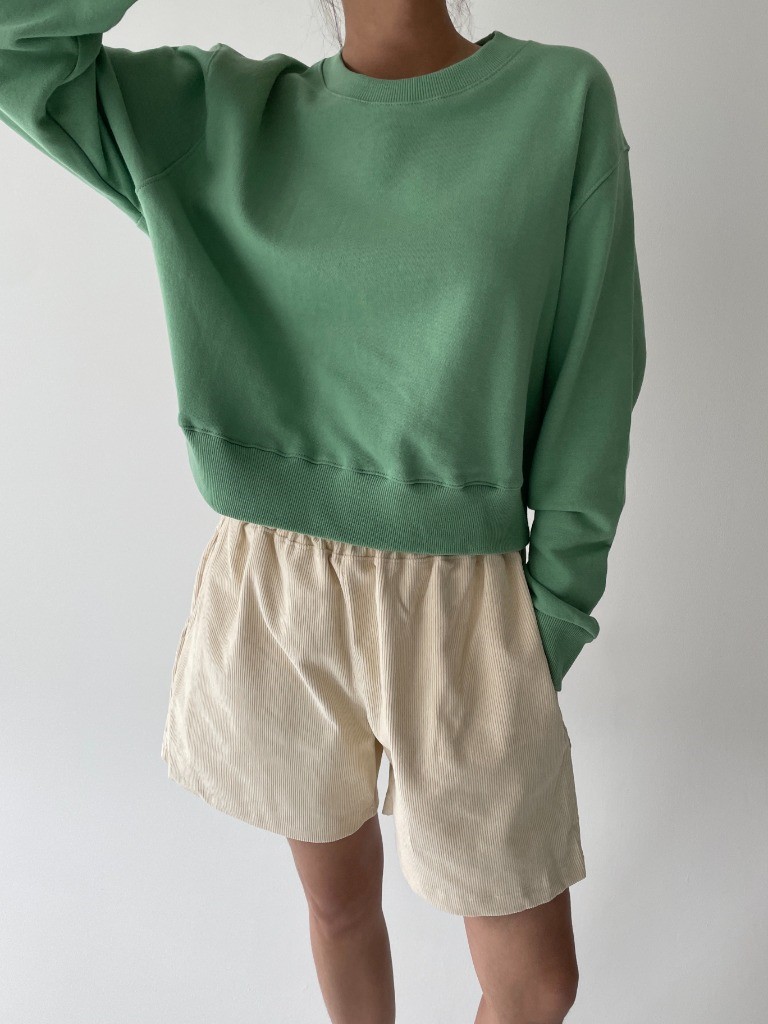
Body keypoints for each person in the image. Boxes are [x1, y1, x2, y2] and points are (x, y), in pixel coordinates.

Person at [0, 0, 647, 1020]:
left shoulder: (557, 101)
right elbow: (16, 48)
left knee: (534, 982)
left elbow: (595, 374)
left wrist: (554, 612)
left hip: (471, 605)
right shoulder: (221, 115)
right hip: (281, 591)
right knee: (340, 909)